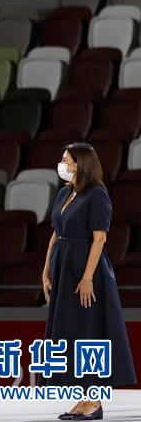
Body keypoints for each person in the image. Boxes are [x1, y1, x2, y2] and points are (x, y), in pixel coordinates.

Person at [43, 143, 136, 421]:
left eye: (66, 160)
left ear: (80, 163)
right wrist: (46, 270)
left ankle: (93, 401)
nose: (62, 165)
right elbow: (55, 233)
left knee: (88, 332)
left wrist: (87, 278)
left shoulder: (97, 194)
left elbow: (100, 238)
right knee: (70, 333)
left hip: (86, 267)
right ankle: (83, 398)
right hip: (63, 266)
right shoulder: (64, 193)